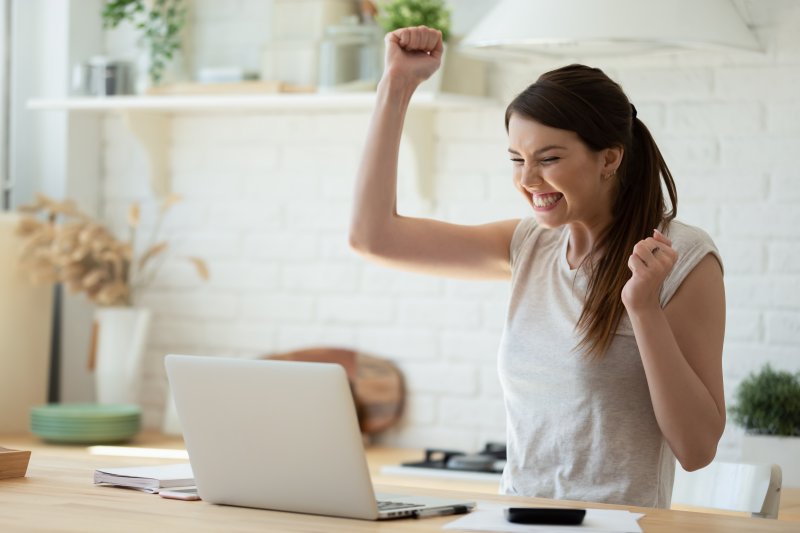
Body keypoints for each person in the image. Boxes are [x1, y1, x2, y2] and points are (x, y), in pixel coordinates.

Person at [349, 26, 725, 508]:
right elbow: (372, 237)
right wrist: (396, 86)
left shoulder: (682, 259)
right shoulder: (528, 244)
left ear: (609, 158)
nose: (528, 180)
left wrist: (644, 309)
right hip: (515, 519)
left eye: (548, 158)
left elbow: (697, 450)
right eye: (516, 159)